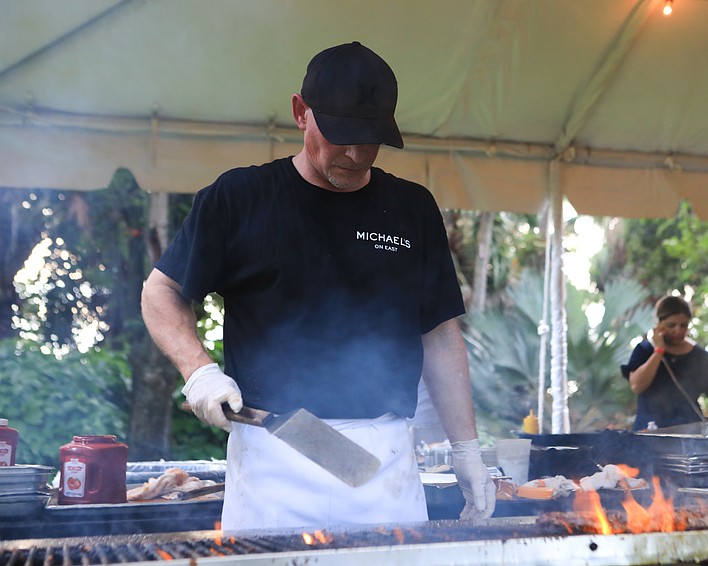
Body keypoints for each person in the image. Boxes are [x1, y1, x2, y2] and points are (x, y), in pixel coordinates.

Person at [140, 41, 495, 530]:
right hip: (272, 453)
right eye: (341, 134)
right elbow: (161, 293)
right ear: (300, 113)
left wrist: (466, 449)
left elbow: (438, 334)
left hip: (383, 459)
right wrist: (199, 371)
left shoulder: (412, 209)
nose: (354, 153)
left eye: (369, 138)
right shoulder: (240, 197)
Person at [621, 295, 708, 430]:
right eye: (671, 325)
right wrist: (659, 352)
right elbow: (637, 385)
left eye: (683, 325)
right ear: (658, 325)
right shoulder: (644, 350)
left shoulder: (698, 356)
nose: (678, 330)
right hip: (650, 431)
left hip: (690, 433)